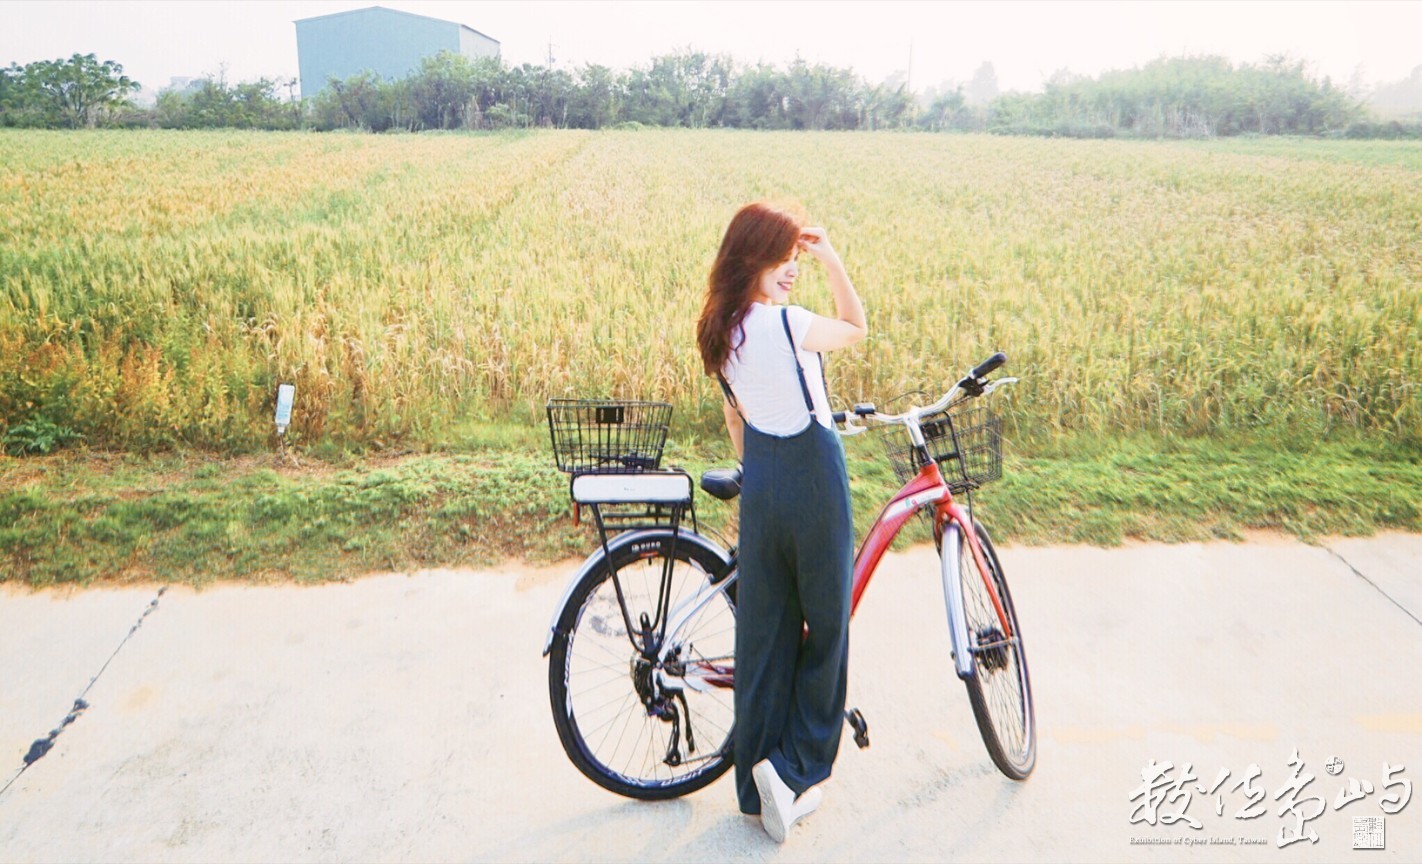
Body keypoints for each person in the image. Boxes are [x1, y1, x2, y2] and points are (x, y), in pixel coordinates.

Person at [694, 202, 867, 842]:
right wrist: (832, 257)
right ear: (751, 260)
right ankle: (793, 774)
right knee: (826, 628)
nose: (792, 270)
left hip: (762, 481)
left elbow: (736, 421)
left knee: (764, 636)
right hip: (814, 475)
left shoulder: (718, 329)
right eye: (782, 258)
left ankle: (754, 784)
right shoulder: (787, 325)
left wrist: (764, 484)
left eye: (797, 257)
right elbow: (855, 326)